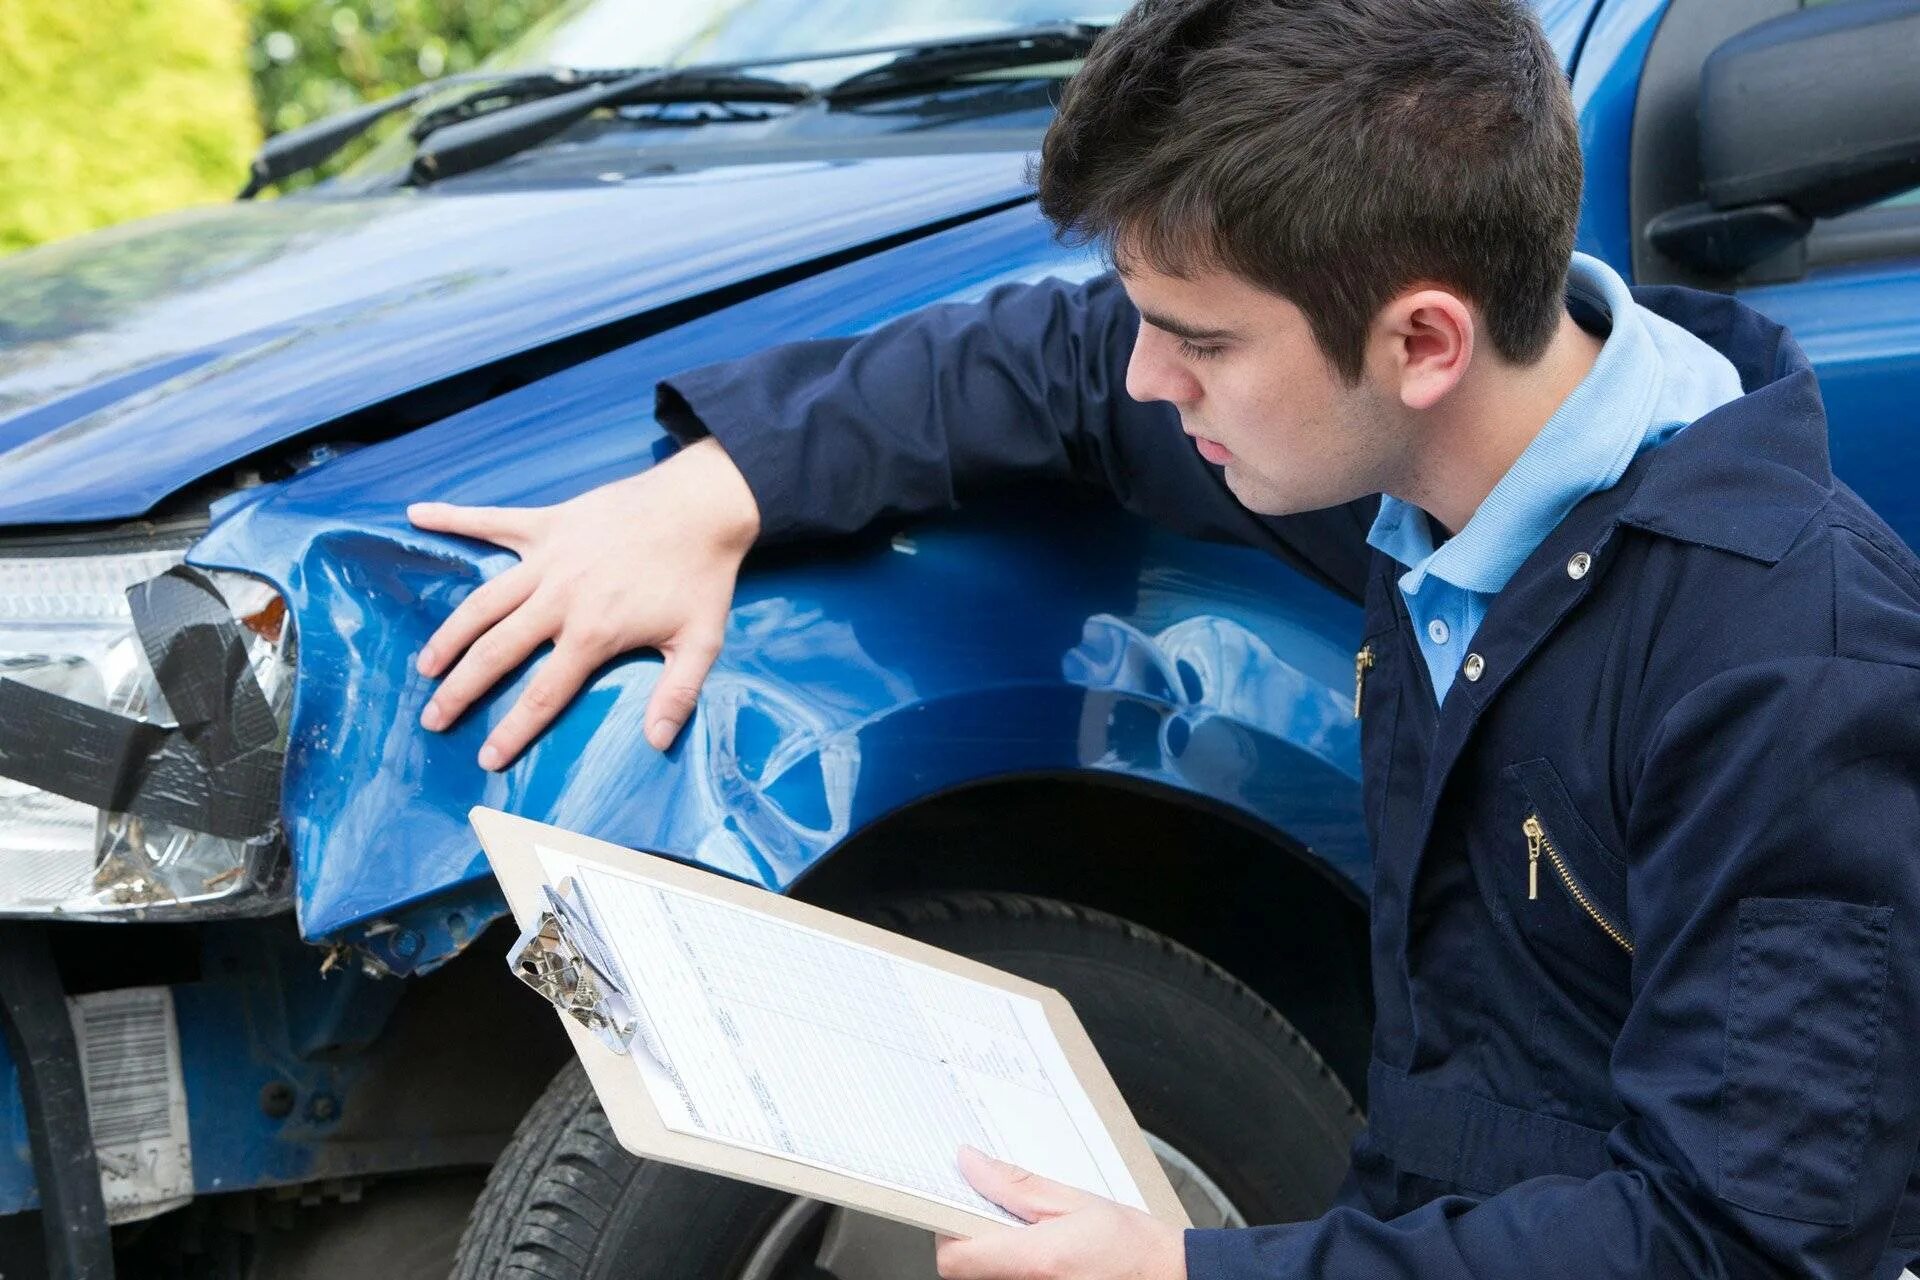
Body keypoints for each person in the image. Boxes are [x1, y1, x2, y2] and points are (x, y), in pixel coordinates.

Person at [406, 0, 1920, 1274]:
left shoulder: (1784, 658)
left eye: (1198, 342)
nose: (1146, 380)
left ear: (1423, 341)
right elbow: (1055, 362)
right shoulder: (1429, 456)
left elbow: (1746, 1239)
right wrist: (718, 488)